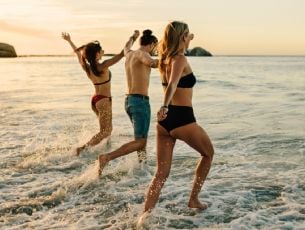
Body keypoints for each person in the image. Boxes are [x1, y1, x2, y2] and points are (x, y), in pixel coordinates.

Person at [142, 21, 214, 213]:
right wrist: (164, 105)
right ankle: (194, 199)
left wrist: (187, 38)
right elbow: (173, 84)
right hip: (183, 118)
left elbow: (172, 79)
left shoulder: (165, 59)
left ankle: (144, 216)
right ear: (182, 38)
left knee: (161, 174)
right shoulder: (180, 59)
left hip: (164, 123)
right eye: (188, 35)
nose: (190, 37)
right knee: (208, 154)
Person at [61, 31, 138, 156]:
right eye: (101, 50)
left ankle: (101, 149)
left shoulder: (87, 67)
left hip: (96, 100)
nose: (103, 51)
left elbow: (78, 54)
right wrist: (133, 38)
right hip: (103, 100)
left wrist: (69, 40)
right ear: (96, 54)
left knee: (106, 130)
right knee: (106, 131)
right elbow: (122, 53)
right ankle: (82, 149)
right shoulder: (102, 66)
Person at [98, 29, 158, 175]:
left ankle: (142, 167)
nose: (156, 50)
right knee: (141, 142)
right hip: (140, 102)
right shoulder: (142, 54)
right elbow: (152, 63)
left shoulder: (129, 53)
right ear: (151, 44)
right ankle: (107, 157)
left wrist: (133, 37)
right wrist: (171, 57)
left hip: (129, 101)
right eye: (156, 47)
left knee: (140, 139)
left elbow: (126, 46)